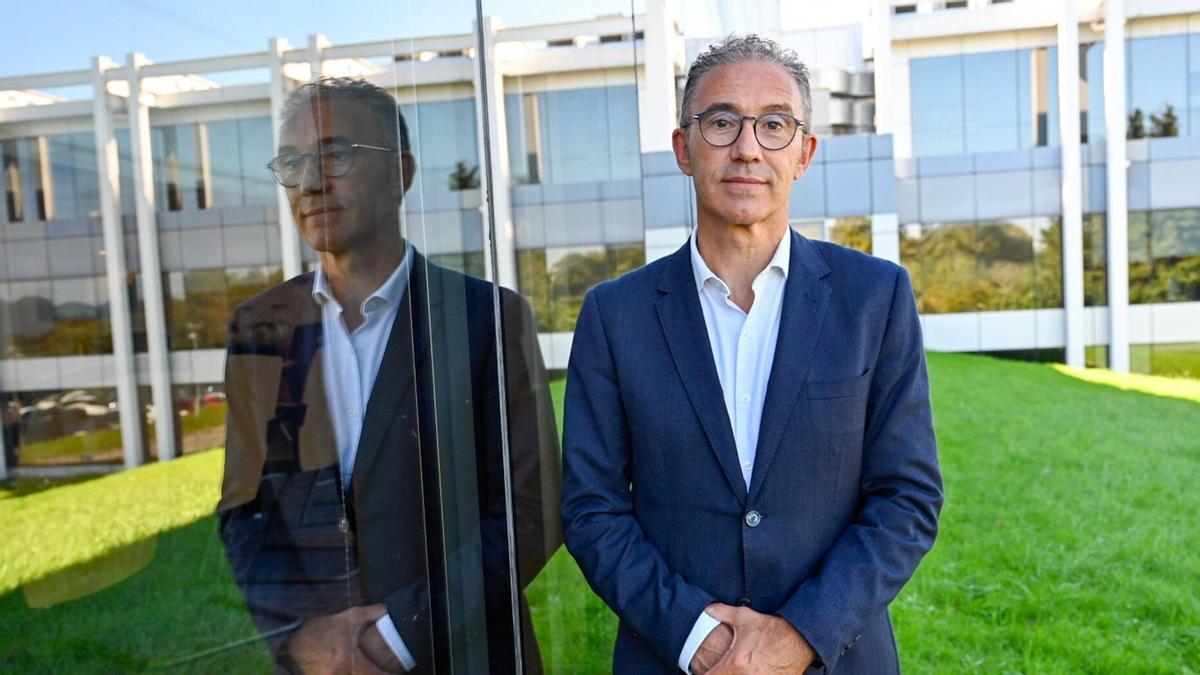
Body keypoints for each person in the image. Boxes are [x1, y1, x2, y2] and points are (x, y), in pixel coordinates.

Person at [561, 35, 943, 674]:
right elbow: (591, 507)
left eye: (774, 125)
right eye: (721, 122)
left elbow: (907, 497)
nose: (747, 147)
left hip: (835, 658)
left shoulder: (875, 297)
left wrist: (797, 637)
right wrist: (697, 639)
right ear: (684, 149)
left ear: (804, 153)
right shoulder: (613, 314)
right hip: (671, 660)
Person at [217, 77, 561, 674]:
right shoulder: (260, 328)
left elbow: (530, 509)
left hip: (466, 655)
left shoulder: (489, 319)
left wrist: (395, 637)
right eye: (293, 162)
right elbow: (245, 511)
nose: (310, 181)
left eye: (337, 154)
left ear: (401, 173)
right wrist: (304, 637)